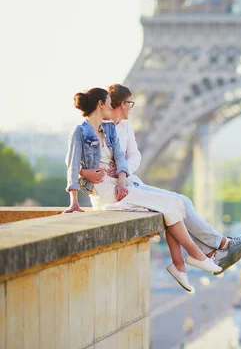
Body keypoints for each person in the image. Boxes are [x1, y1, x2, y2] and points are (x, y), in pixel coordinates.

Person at [82, 83, 241, 276]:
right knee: (176, 203)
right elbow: (84, 164)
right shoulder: (96, 130)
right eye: (130, 103)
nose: (131, 107)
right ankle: (216, 247)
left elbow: (134, 156)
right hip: (114, 190)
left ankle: (211, 250)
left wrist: (123, 171)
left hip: (129, 182)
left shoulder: (125, 127)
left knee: (182, 201)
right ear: (121, 104)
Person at [65, 87, 220, 293]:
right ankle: (195, 255)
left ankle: (180, 264)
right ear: (100, 105)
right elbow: (72, 165)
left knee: (174, 203)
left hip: (117, 185)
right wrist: (76, 196)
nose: (112, 107)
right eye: (109, 103)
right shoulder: (80, 132)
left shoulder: (110, 129)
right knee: (170, 204)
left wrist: (121, 180)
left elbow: (121, 157)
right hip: (102, 190)